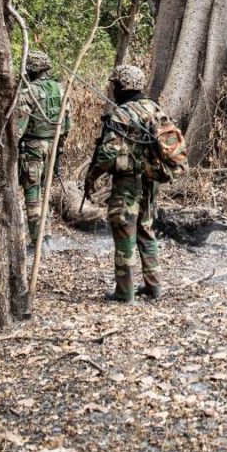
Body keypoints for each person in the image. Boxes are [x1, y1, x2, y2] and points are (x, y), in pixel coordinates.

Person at [84, 65, 164, 303]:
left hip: (129, 183)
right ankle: (154, 286)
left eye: (115, 84)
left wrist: (92, 176)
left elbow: (107, 156)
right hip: (151, 181)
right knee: (145, 230)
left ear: (123, 86)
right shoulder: (154, 107)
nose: (113, 89)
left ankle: (125, 292)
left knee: (124, 232)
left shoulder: (122, 113)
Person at [15, 51, 70, 253]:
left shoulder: (28, 92)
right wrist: (60, 147)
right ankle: (47, 237)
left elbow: (19, 129)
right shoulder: (60, 89)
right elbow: (66, 123)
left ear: (30, 70)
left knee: (33, 193)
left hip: (33, 148)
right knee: (44, 192)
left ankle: (37, 241)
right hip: (53, 146)